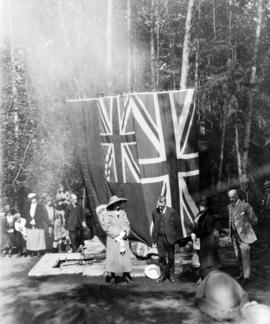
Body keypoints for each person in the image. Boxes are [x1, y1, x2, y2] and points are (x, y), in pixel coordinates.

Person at [228, 189, 257, 286]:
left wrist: (247, 228)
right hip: (234, 235)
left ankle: (246, 277)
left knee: (245, 256)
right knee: (238, 256)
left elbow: (254, 220)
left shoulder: (245, 205)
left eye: (232, 197)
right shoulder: (229, 207)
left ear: (237, 196)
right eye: (229, 197)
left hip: (244, 235)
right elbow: (230, 220)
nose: (231, 199)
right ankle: (241, 273)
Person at [151, 195, 182, 283]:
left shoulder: (172, 211)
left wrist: (172, 234)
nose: (160, 206)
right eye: (159, 204)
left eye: (162, 204)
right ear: (157, 202)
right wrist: (154, 238)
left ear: (165, 203)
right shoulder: (154, 212)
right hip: (159, 238)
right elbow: (155, 224)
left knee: (171, 257)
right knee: (161, 257)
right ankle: (163, 275)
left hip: (169, 238)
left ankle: (171, 274)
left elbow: (177, 224)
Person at [103, 195, 132, 284]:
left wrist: (125, 231)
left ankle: (126, 274)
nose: (118, 205)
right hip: (113, 238)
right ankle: (112, 275)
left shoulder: (123, 213)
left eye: (118, 203)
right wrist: (118, 233)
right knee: (113, 258)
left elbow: (126, 223)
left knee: (124, 256)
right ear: (112, 204)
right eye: (116, 203)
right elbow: (107, 227)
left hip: (123, 238)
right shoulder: (107, 214)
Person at [192, 196, 220, 280]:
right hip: (199, 239)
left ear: (207, 206)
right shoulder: (199, 214)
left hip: (207, 240)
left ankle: (208, 278)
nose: (201, 206)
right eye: (200, 204)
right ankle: (201, 276)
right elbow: (196, 226)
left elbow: (207, 230)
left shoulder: (209, 215)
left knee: (207, 260)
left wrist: (196, 235)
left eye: (203, 205)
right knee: (199, 258)